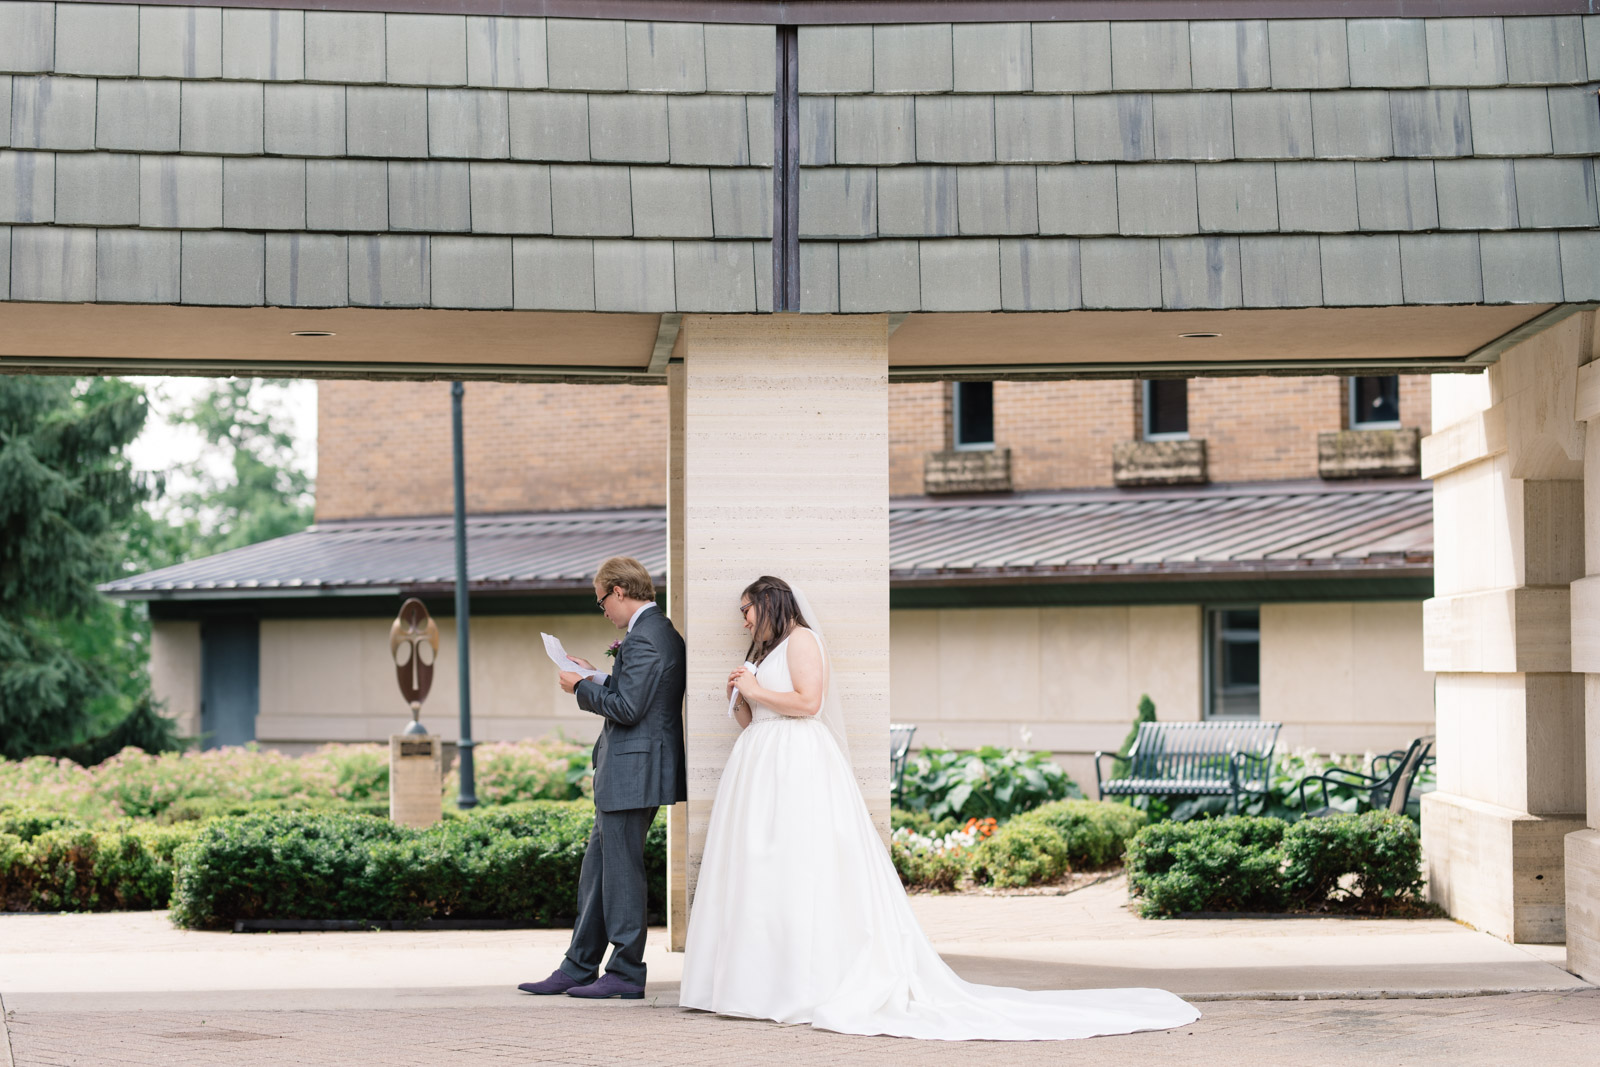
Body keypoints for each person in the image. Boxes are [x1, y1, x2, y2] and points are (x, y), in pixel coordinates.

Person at [679, 575, 1199, 1040]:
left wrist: (756, 689)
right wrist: (745, 701)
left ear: (770, 602)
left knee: (800, 868)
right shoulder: (765, 652)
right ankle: (760, 983)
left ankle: (799, 984)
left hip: (796, 770)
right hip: (762, 768)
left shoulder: (801, 641)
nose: (742, 619)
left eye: (746, 609)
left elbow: (809, 703)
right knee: (765, 875)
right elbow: (761, 720)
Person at [517, 556, 686, 1001]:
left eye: (601, 603)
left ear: (619, 592)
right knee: (598, 871)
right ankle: (578, 966)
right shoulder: (650, 635)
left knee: (622, 874)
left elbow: (629, 710)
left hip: (635, 770)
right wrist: (596, 674)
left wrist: (580, 688)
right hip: (629, 770)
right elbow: (635, 695)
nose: (604, 612)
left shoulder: (647, 638)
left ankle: (627, 972)